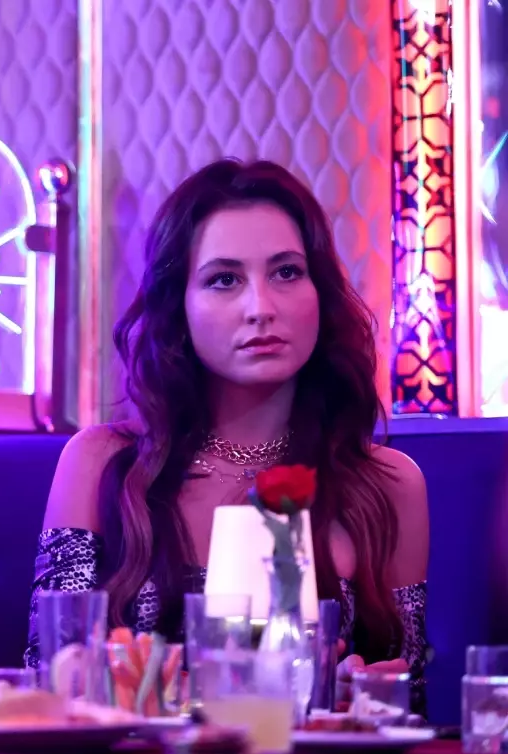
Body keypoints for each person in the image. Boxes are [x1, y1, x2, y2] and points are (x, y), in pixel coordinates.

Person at [26, 159, 429, 713]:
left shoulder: (387, 482)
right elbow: (51, 679)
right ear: (179, 306)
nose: (261, 308)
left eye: (286, 272)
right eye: (224, 279)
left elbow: (410, 702)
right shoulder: (100, 463)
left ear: (320, 291)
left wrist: (361, 692)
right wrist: (226, 698)